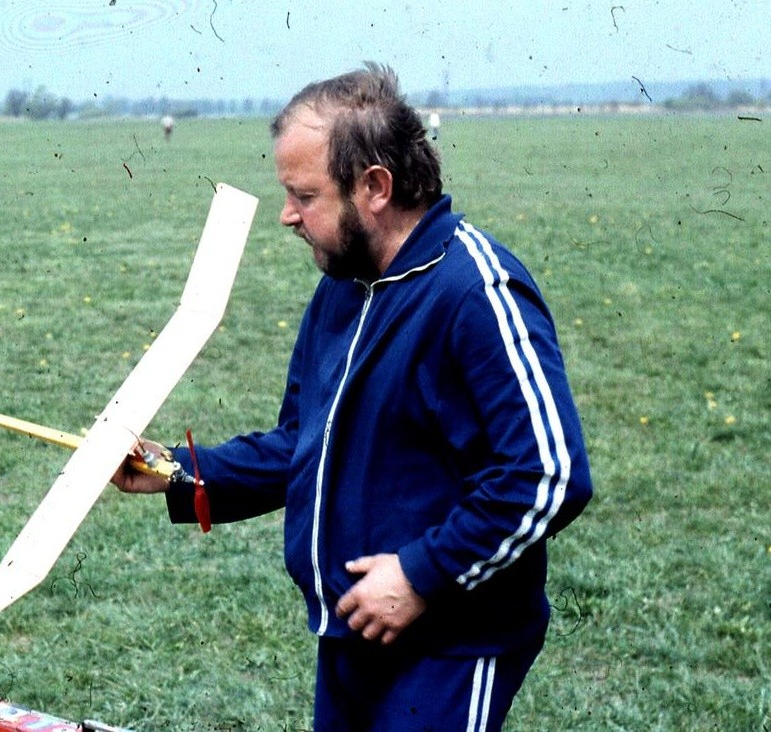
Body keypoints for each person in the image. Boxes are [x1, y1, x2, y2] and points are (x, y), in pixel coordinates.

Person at [112, 62, 592, 731]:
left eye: (304, 195)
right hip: (352, 633)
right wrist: (177, 471)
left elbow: (549, 474)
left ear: (374, 187)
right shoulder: (344, 286)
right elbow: (302, 444)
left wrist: (421, 573)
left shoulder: (475, 291)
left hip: (451, 645)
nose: (287, 215)